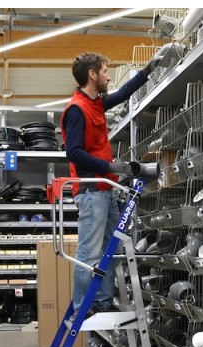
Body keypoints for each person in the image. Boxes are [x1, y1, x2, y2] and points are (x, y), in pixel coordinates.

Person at [60, 50, 164, 318]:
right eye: (105, 71)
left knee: (111, 249)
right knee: (89, 253)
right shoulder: (77, 109)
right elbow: (73, 152)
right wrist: (109, 167)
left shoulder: (95, 103)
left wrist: (148, 70)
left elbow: (123, 94)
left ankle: (103, 303)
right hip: (91, 191)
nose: (108, 77)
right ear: (92, 74)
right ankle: (83, 308)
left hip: (106, 190)